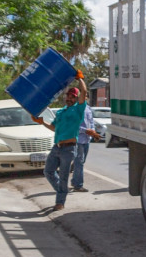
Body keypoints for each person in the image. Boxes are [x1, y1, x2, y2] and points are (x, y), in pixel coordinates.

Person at [31, 71, 88, 211]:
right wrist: (41, 122)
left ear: (76, 99)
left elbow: (84, 91)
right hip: (57, 147)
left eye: (73, 96)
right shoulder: (61, 111)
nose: (69, 98)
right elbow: (54, 128)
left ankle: (60, 202)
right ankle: (62, 191)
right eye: (68, 96)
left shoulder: (79, 109)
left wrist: (79, 79)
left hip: (69, 149)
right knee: (48, 172)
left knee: (63, 176)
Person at [71, 103, 100, 192]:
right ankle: (78, 185)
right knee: (79, 162)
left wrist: (94, 133)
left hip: (87, 140)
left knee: (81, 162)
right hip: (78, 140)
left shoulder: (88, 108)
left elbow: (91, 122)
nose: (85, 97)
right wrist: (86, 131)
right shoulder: (74, 108)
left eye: (86, 96)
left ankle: (74, 180)